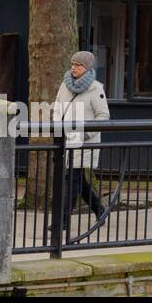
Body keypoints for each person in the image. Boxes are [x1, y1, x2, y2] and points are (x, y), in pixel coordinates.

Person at [55, 51, 110, 232]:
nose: (74, 67)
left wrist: (84, 133)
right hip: (66, 139)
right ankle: (99, 209)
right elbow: (57, 108)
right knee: (78, 181)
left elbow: (103, 116)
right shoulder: (65, 85)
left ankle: (62, 221)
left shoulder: (96, 89)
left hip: (84, 141)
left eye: (78, 65)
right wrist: (57, 128)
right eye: (72, 64)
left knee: (72, 179)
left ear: (87, 68)